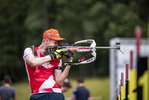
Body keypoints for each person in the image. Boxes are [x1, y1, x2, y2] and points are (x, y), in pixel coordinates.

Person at [23, 28, 73, 100]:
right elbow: (33, 62)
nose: (56, 45)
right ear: (46, 40)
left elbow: (59, 82)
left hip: (57, 93)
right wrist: (52, 56)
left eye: (57, 43)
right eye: (55, 42)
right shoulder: (30, 50)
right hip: (39, 94)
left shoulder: (57, 57)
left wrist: (69, 64)